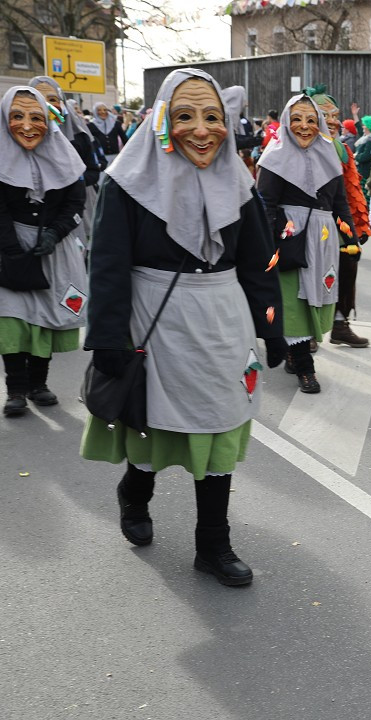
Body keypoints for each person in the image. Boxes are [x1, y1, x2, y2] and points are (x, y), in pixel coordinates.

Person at [81, 68, 287, 585]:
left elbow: (258, 262)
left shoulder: (240, 182)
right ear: (161, 122)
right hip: (154, 322)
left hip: (222, 322)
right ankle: (135, 492)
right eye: (185, 115)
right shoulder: (125, 183)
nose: (201, 129)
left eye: (212, 116)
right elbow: (106, 266)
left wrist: (273, 326)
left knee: (219, 427)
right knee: (153, 430)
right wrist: (106, 338)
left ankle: (213, 545)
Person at [256, 93, 352, 394]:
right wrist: (271, 243)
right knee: (294, 304)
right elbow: (266, 205)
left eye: (311, 120)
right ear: (286, 121)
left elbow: (340, 202)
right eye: (296, 119)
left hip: (323, 240)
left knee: (316, 299)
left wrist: (351, 238)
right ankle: (305, 368)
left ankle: (293, 351)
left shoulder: (329, 155)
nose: (304, 126)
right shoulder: (274, 157)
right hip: (291, 238)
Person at [0, 86, 87, 417]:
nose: (26, 125)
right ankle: (16, 389)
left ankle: (39, 384)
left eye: (36, 117)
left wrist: (54, 233)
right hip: (9, 245)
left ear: (48, 122)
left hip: (53, 248)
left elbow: (75, 202)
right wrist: (11, 250)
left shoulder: (64, 155)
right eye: (17, 116)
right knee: (12, 320)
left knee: (43, 320)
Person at [304, 85, 371, 349]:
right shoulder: (301, 146)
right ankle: (306, 330)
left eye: (335, 115)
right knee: (311, 272)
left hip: (339, 221)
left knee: (347, 266)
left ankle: (340, 324)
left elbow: (351, 191)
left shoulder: (342, 149)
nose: (332, 121)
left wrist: (358, 226)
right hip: (310, 223)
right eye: (325, 115)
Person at [30, 76, 104, 245]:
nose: (46, 105)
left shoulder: (80, 137)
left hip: (72, 212)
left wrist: (72, 181)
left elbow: (93, 171)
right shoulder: (21, 137)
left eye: (52, 99)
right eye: (38, 98)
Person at [353, 115, 371, 196]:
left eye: (364, 125)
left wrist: (355, 156)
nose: (363, 126)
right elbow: (360, 130)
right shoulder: (370, 138)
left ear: (368, 127)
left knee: (364, 196)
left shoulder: (370, 141)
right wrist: (355, 115)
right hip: (366, 171)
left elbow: (366, 156)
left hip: (365, 172)